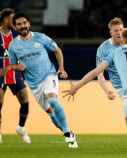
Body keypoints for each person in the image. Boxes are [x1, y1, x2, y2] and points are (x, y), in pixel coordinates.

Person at [5, 13, 78, 148]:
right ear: (15, 27)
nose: (23, 26)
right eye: (19, 24)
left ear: (29, 24)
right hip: (34, 84)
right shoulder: (13, 46)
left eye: (24, 23)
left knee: (52, 99)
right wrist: (17, 67)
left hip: (49, 75)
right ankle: (69, 133)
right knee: (51, 115)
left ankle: (68, 135)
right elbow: (13, 66)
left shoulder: (40, 37)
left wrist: (61, 68)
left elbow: (57, 50)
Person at [0, 8, 30, 143]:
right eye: (12, 18)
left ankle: (21, 128)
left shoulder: (17, 36)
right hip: (0, 74)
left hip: (14, 73)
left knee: (25, 100)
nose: (14, 21)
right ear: (5, 19)